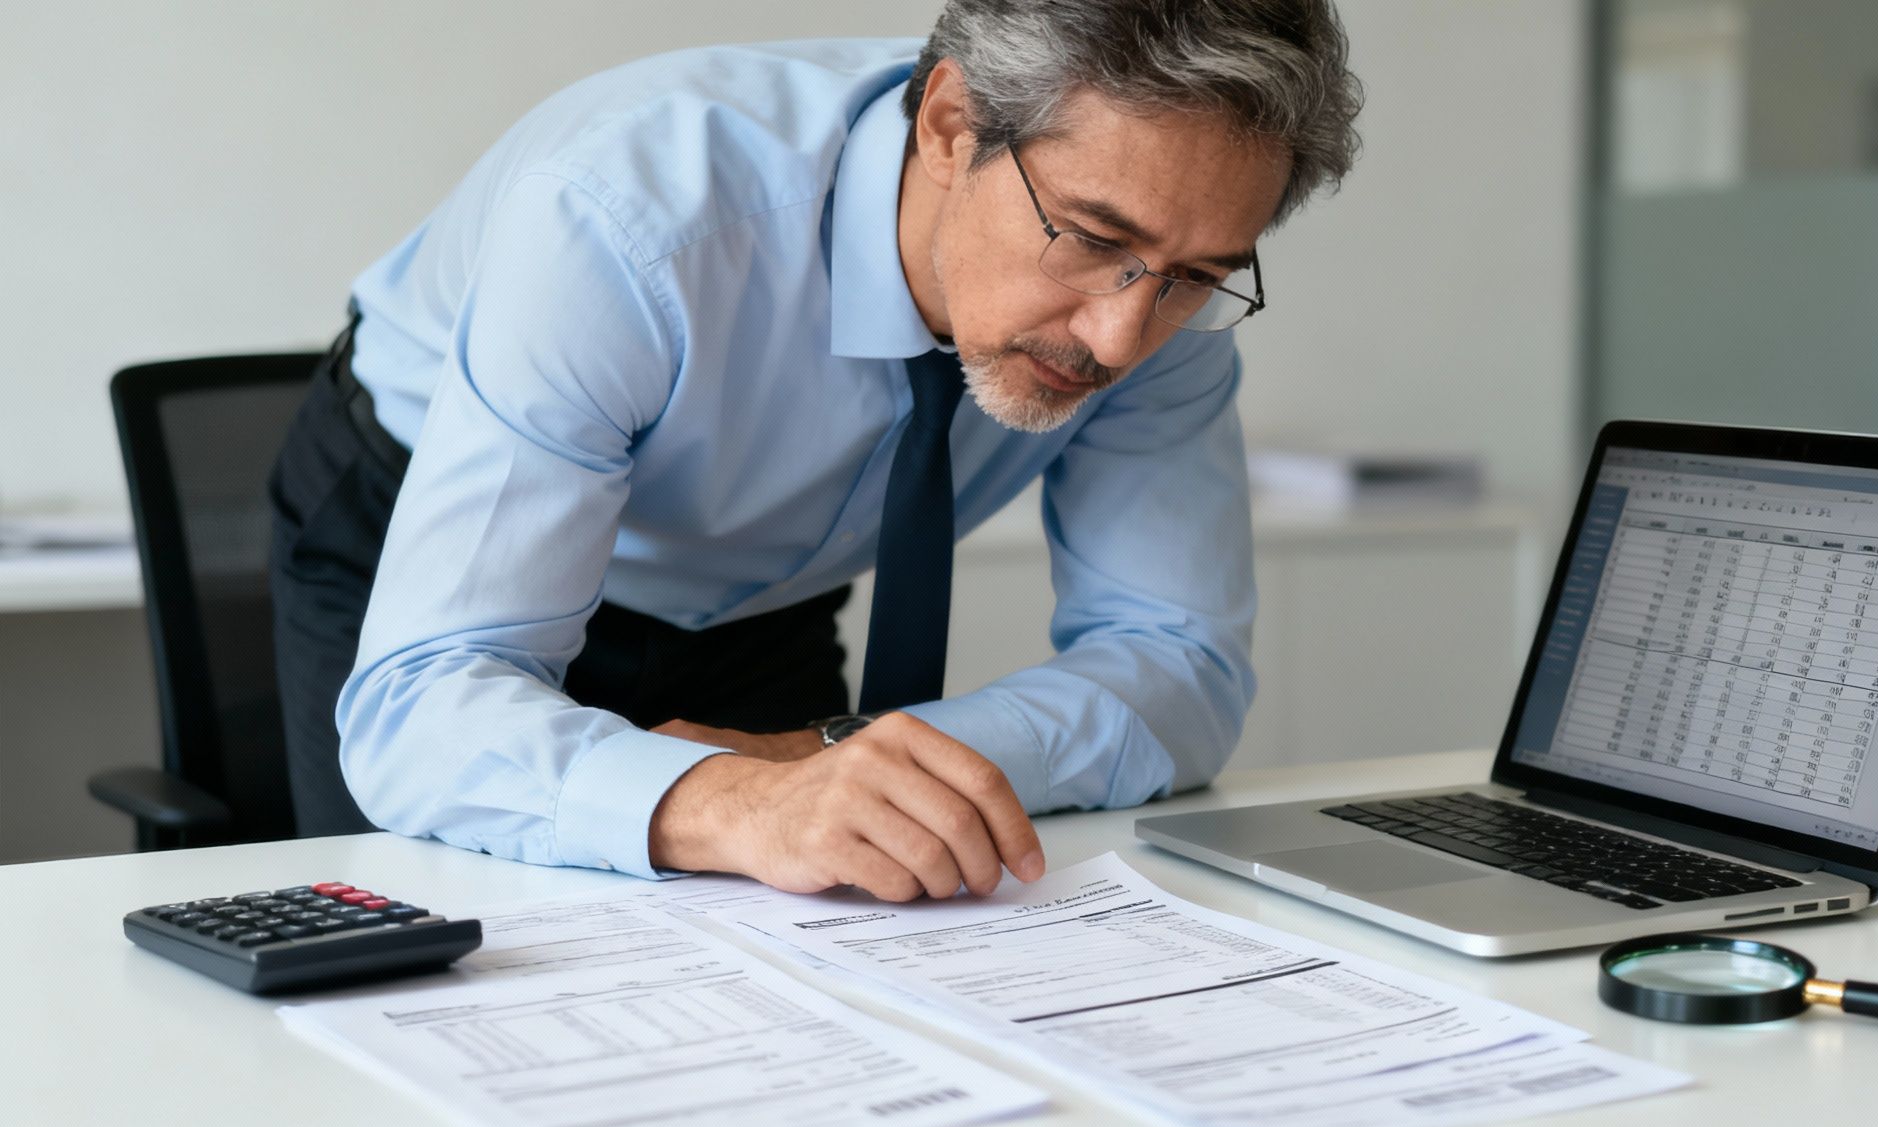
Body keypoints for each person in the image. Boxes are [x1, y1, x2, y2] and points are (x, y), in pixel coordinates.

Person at [268, 0, 1364, 901]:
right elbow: (424, 712)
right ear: (948, 126)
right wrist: (728, 797)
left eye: (1193, 274)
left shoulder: (1154, 297)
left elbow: (1179, 665)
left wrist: (831, 751)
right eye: (1091, 241)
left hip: (759, 596)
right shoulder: (628, 219)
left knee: (810, 947)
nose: (1121, 336)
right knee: (422, 961)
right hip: (416, 546)